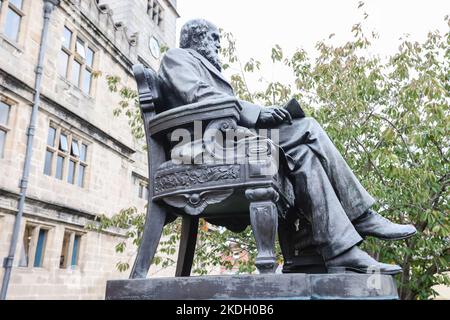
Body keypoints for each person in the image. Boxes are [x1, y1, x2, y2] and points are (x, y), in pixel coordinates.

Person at [158, 19, 416, 274]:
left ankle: (341, 251)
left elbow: (220, 102)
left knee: (304, 153)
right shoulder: (177, 57)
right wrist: (258, 113)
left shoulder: (205, 67)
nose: (218, 44)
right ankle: (361, 216)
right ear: (195, 36)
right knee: (308, 127)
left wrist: (259, 115)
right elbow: (200, 96)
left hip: (230, 139)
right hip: (203, 144)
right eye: (214, 37)